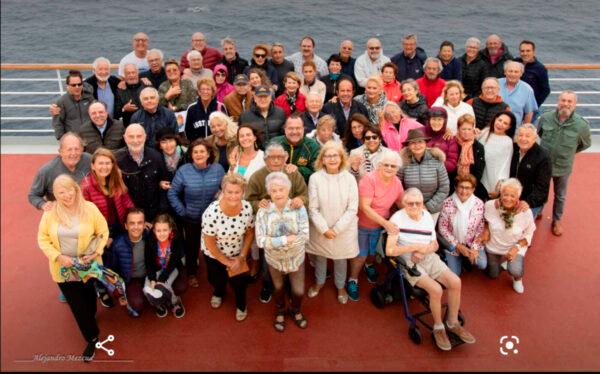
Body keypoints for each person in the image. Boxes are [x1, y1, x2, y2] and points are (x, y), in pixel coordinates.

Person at [386, 188, 475, 351]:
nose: (414, 206)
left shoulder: (426, 216)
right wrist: (415, 248)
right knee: (435, 290)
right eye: (410, 203)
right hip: (408, 260)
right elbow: (389, 251)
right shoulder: (396, 219)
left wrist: (424, 250)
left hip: (428, 256)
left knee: (455, 282)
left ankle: (452, 322)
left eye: (418, 203)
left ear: (422, 203)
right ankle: (439, 327)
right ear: (403, 204)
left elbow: (434, 244)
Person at [37, 174, 109, 361]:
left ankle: (92, 312)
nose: (67, 195)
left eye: (70, 190)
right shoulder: (50, 213)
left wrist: (95, 253)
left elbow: (103, 232)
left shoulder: (90, 208)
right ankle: (92, 338)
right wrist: (58, 257)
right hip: (63, 268)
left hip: (88, 264)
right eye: (61, 192)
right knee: (77, 306)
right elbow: (43, 239)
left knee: (88, 295)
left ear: (76, 189)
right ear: (55, 194)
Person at [245, 143, 309, 303]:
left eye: (279, 157)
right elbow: (249, 200)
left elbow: (305, 196)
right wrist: (258, 203)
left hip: (292, 228)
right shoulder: (257, 177)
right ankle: (268, 286)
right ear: (265, 159)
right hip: (270, 230)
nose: (275, 161)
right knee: (269, 267)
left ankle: (289, 287)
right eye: (271, 157)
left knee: (293, 266)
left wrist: (300, 200)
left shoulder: (293, 174)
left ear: (286, 158)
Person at [255, 172, 310, 331]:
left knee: (298, 291)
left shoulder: (298, 208)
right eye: (274, 190)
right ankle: (280, 310)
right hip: (274, 260)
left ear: (288, 189)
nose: (278, 193)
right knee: (277, 288)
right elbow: (260, 240)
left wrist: (274, 242)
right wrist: (285, 240)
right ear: (269, 192)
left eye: (281, 189)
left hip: (296, 258)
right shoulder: (263, 211)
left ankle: (295, 309)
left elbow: (305, 235)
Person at [167, 138, 225, 288]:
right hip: (191, 219)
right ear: (191, 155)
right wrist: (182, 210)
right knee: (191, 248)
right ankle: (192, 273)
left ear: (208, 154)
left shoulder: (218, 169)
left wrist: (220, 198)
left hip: (213, 220)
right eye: (195, 152)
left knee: (214, 248)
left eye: (202, 152)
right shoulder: (184, 171)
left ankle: (216, 275)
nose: (199, 154)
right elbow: (172, 193)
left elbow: (225, 189)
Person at [348, 150, 404, 301]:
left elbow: (401, 202)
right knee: (361, 255)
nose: (389, 168)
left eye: (393, 166)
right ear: (379, 165)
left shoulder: (397, 182)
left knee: (372, 252)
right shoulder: (369, 179)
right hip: (363, 224)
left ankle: (369, 266)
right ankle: (353, 279)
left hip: (379, 226)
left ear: (397, 168)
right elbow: (364, 207)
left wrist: (418, 211)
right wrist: (386, 223)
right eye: (386, 165)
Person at [306, 141, 358, 304]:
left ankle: (340, 286)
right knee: (321, 257)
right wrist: (324, 229)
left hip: (343, 229)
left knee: (340, 258)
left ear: (342, 158)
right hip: (321, 227)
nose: (332, 159)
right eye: (328, 156)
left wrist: (336, 229)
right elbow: (313, 208)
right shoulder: (315, 178)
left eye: (335, 155)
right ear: (322, 159)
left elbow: (352, 208)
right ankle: (319, 282)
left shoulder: (349, 178)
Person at [201, 173, 254, 321]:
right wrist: (227, 262)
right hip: (214, 254)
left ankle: (241, 305)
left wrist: (241, 257)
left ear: (243, 192)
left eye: (237, 192)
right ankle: (219, 291)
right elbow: (209, 242)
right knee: (215, 279)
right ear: (223, 191)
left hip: (236, 252)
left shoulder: (247, 208)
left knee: (239, 284)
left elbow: (250, 233)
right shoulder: (212, 212)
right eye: (229, 192)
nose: (233, 196)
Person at [538, 90, 591, 236]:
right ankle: (538, 211)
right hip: (544, 164)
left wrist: (569, 152)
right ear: (558, 101)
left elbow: (585, 144)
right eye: (563, 100)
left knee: (560, 195)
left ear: (575, 104)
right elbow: (540, 133)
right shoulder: (546, 118)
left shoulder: (581, 125)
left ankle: (556, 220)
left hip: (563, 166)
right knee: (541, 189)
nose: (566, 104)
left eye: (569, 101)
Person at [482, 178, 536, 294]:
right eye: (505, 194)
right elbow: (486, 220)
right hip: (493, 247)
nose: (508, 198)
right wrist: (486, 230)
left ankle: (517, 278)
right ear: (500, 194)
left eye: (513, 196)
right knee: (492, 275)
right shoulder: (490, 206)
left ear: (518, 197)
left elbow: (529, 232)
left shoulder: (525, 212)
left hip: (514, 248)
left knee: (515, 270)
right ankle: (503, 263)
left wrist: (516, 247)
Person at [81, 147, 134, 251]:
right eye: (100, 163)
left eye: (108, 163)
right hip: (100, 232)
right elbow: (86, 217)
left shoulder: (116, 179)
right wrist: (105, 237)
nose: (104, 167)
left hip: (119, 226)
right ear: (93, 166)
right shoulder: (86, 186)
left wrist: (136, 219)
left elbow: (127, 202)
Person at [115, 124, 168, 223]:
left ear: (145, 137)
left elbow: (164, 186)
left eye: (139, 136)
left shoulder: (156, 157)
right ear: (125, 138)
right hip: (130, 218)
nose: (135, 140)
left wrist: (161, 214)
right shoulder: (117, 160)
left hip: (154, 216)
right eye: (131, 137)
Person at [437, 174, 486, 276]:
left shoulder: (479, 204)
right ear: (455, 187)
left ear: (473, 189)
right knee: (455, 274)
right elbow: (442, 228)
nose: (464, 191)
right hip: (454, 244)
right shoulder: (447, 203)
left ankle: (466, 258)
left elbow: (480, 228)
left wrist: (475, 248)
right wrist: (458, 246)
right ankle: (461, 259)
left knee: (482, 264)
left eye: (468, 188)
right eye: (461, 187)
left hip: (471, 242)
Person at [29, 132, 92, 212]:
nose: (73, 153)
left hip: (86, 212)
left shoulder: (89, 160)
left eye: (77, 149)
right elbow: (33, 195)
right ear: (60, 151)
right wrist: (43, 204)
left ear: (82, 149)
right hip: (61, 215)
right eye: (69, 149)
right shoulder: (47, 171)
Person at [398, 128, 450, 221]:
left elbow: (444, 187)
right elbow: (398, 187)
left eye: (420, 142)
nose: (417, 145)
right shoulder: (403, 163)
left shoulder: (437, 161)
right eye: (413, 143)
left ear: (425, 143)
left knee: (428, 234)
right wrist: (409, 205)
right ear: (408, 146)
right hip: (410, 208)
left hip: (432, 209)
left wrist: (427, 206)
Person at [143, 213, 186, 318]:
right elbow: (148, 262)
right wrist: (152, 279)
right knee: (146, 288)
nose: (162, 234)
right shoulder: (150, 240)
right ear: (154, 231)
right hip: (156, 268)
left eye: (165, 230)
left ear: (170, 229)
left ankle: (175, 303)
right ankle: (157, 304)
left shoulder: (176, 240)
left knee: (163, 286)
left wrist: (161, 279)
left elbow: (173, 262)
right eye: (158, 231)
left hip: (171, 268)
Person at [510, 124, 552, 218]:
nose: (523, 139)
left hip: (530, 201)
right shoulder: (513, 149)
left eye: (527, 136)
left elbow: (542, 187)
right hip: (512, 197)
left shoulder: (543, 157)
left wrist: (528, 202)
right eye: (520, 135)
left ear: (535, 138)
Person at [272, 113, 321, 184]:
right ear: (285, 129)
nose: (294, 132)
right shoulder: (274, 143)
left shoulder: (312, 146)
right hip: (277, 186)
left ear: (303, 129)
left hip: (303, 187)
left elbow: (316, 172)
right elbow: (266, 168)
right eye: (291, 128)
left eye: (298, 128)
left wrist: (298, 169)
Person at [478, 111, 517, 199]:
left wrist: (500, 187)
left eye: (505, 123)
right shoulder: (485, 132)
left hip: (492, 180)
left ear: (509, 127)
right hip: (478, 175)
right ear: (495, 119)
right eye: (500, 120)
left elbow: (505, 166)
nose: (500, 124)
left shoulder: (507, 141)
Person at [450, 114, 487, 200]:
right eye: (463, 129)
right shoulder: (452, 143)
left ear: (473, 129)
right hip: (453, 186)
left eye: (469, 129)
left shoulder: (478, 147)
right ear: (458, 129)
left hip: (472, 187)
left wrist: (468, 188)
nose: (466, 132)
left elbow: (479, 170)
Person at [51, 70, 94, 139]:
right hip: (72, 140)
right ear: (67, 86)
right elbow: (58, 123)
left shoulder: (89, 98)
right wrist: (61, 139)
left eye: (79, 84)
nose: (77, 87)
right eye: (73, 85)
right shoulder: (62, 102)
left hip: (90, 138)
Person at [185, 78, 228, 142]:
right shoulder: (191, 108)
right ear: (199, 92)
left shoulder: (220, 106)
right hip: (199, 147)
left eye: (208, 89)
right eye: (203, 89)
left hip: (216, 146)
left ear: (213, 92)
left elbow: (226, 127)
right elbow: (188, 131)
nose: (205, 92)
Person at [514, 40, 550, 117]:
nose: (525, 53)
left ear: (533, 52)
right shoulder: (515, 63)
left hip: (529, 109)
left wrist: (534, 105)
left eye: (528, 51)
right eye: (522, 51)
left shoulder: (540, 69)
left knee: (526, 129)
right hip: (515, 106)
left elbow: (546, 90)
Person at [499, 61, 538, 126]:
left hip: (514, 128)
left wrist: (524, 129)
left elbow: (529, 112)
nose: (513, 74)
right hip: (495, 126)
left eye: (516, 72)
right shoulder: (495, 84)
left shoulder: (527, 89)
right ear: (505, 72)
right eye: (510, 71)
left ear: (521, 74)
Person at [424, 107, 459, 174]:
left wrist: (431, 165)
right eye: (433, 119)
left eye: (440, 119)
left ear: (444, 121)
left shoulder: (449, 138)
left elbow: (452, 164)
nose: (436, 122)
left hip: (441, 176)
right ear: (429, 120)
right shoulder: (420, 132)